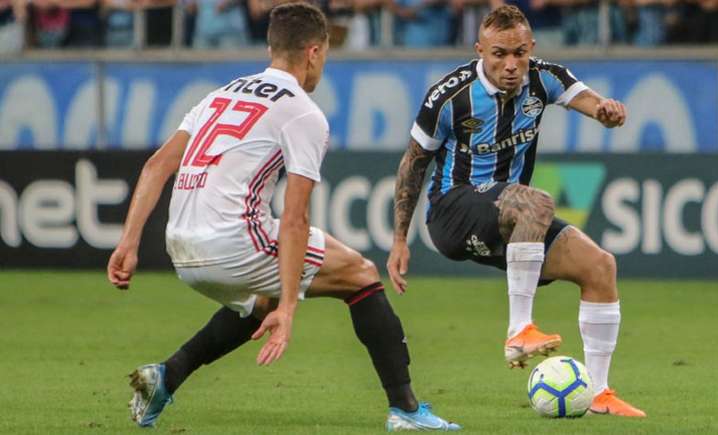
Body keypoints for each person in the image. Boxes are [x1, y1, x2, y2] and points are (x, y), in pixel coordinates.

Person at [106, 3, 459, 431]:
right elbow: (295, 219)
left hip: (179, 246)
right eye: (324, 56)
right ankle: (405, 410)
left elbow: (155, 166)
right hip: (231, 240)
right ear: (313, 52)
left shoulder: (220, 95)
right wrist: (290, 310)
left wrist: (127, 244)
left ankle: (168, 375)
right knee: (360, 274)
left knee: (263, 298)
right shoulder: (303, 113)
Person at [387, 5, 645, 418]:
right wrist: (400, 239)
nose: (511, 65)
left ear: (531, 49)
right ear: (480, 51)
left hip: (513, 219)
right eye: (499, 54)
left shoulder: (545, 78)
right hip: (453, 210)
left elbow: (591, 102)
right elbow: (413, 163)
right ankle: (518, 330)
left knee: (600, 267)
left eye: (519, 53)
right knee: (535, 200)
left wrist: (607, 112)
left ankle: (598, 392)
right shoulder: (449, 96)